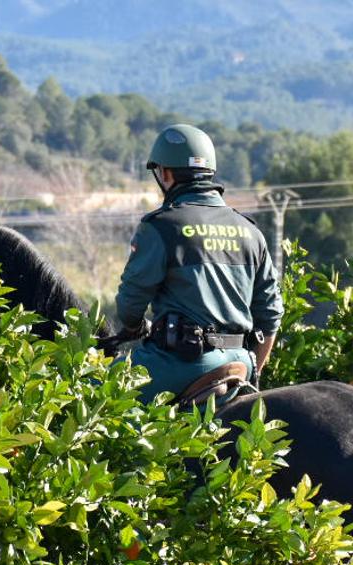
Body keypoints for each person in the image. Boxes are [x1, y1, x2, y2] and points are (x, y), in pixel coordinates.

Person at [114, 124, 281, 403]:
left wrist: (133, 326)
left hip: (179, 364)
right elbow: (271, 317)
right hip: (241, 362)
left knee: (93, 390)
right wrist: (253, 372)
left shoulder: (162, 227)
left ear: (165, 174)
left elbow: (129, 305)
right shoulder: (251, 232)